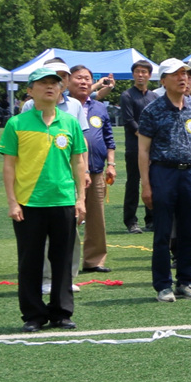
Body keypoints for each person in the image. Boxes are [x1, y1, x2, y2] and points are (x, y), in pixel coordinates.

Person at [0, 66, 87, 331]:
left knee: (62, 261)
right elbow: (9, 166)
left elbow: (78, 162)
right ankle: (33, 315)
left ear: (61, 89)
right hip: (29, 203)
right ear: (30, 90)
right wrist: (12, 201)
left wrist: (81, 199)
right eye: (43, 83)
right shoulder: (16, 124)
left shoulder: (69, 122)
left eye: (54, 83)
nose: (50, 87)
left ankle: (61, 312)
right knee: (30, 262)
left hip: (63, 200)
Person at [136, 59, 191, 302]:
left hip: (190, 174)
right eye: (176, 74)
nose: (183, 78)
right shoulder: (152, 110)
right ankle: (163, 285)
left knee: (190, 231)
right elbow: (143, 150)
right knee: (163, 233)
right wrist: (146, 184)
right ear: (163, 80)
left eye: (185, 74)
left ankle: (185, 281)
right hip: (163, 173)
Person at [75, 66, 116, 274]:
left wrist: (111, 164)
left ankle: (94, 261)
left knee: (96, 218)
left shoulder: (99, 107)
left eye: (87, 78)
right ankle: (65, 261)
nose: (83, 82)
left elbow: (109, 137)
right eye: (79, 78)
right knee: (70, 216)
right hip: (70, 171)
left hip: (97, 169)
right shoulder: (64, 106)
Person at [119, 60, 159, 233]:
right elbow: (129, 121)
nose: (140, 75)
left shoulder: (154, 97)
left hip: (153, 148)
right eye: (137, 72)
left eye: (144, 72)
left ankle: (152, 219)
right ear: (133, 74)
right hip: (135, 148)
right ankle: (131, 221)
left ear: (149, 75)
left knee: (153, 182)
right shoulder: (127, 95)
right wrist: (145, 137)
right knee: (133, 184)